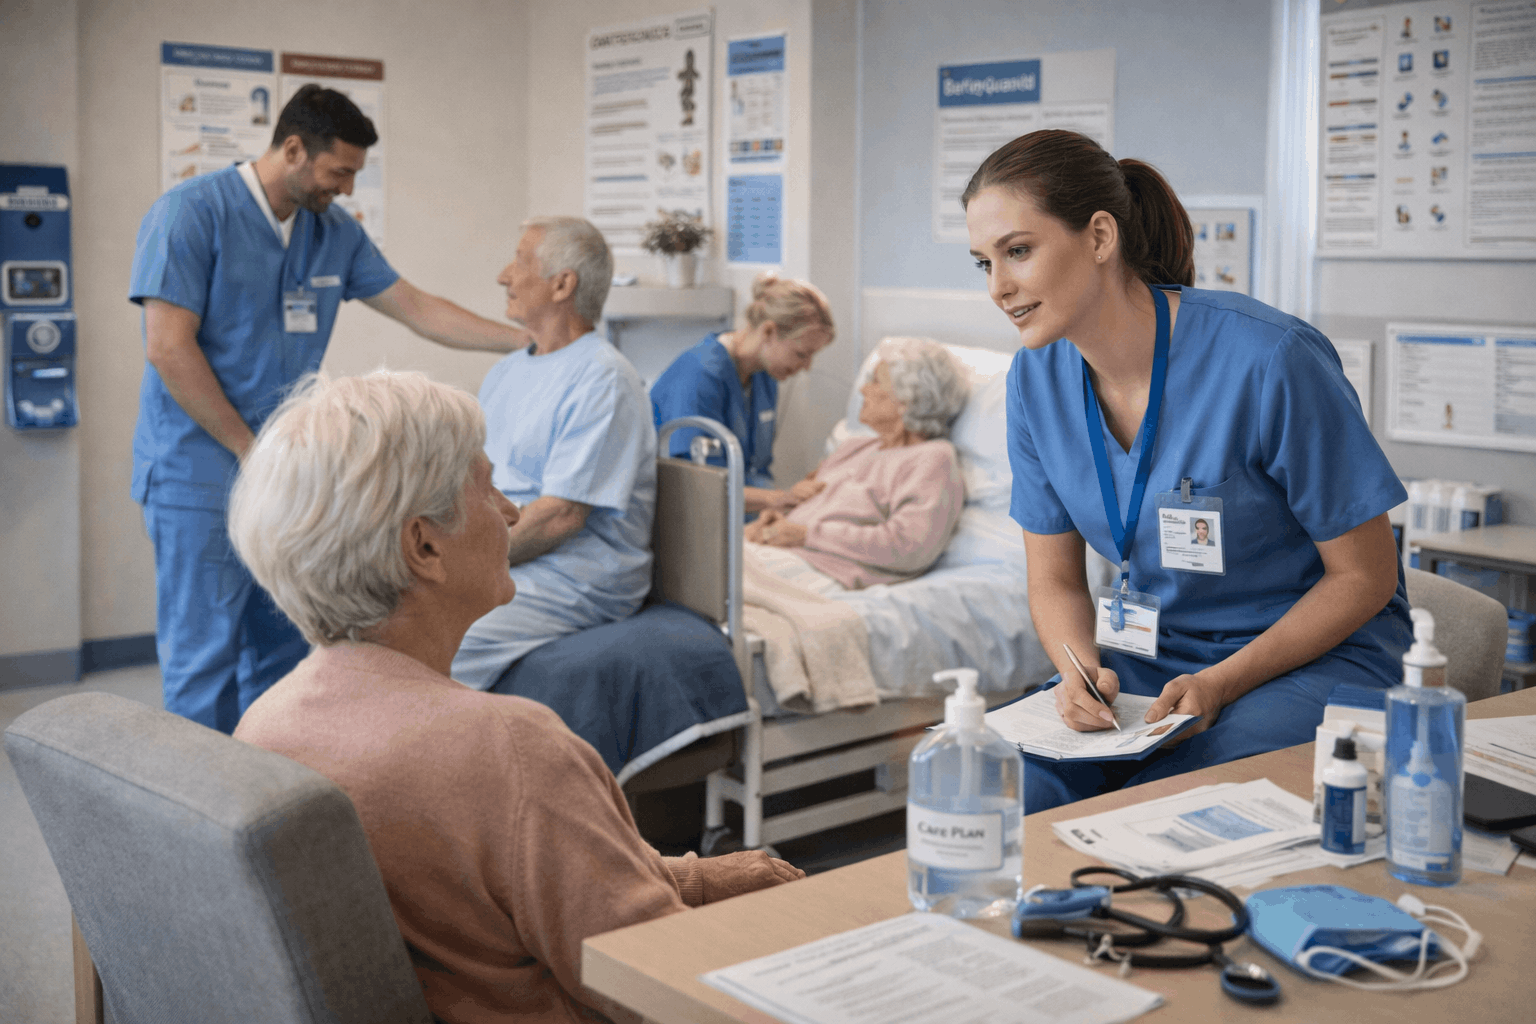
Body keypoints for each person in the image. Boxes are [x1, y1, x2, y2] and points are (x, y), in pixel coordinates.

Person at [228, 370, 802, 1024]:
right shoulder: (511, 750)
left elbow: (552, 882)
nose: (508, 511)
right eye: (488, 487)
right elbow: (659, 985)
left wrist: (709, 878)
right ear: (424, 545)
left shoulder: (265, 725)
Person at [964, 129, 1412, 812]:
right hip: (1157, 654)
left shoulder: (1270, 361)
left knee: (1157, 805)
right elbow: (1054, 581)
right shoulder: (1036, 379)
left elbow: (1366, 575)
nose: (999, 287)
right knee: (991, 783)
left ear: (1100, 236)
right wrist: (1080, 671)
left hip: (1316, 658)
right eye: (982, 263)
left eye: (1018, 251)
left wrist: (1224, 683)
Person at [129, 84, 527, 734]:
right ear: (293, 149)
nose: (345, 189)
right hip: (195, 472)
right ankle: (196, 822)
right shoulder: (190, 214)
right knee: (204, 658)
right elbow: (168, 349)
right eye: (339, 171)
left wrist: (526, 339)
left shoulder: (333, 234)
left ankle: (275, 803)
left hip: (286, 475)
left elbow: (417, 308)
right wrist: (247, 449)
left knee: (287, 650)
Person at [451, 217, 656, 691]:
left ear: (563, 284)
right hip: (510, 551)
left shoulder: (604, 378)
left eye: (521, 261)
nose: (504, 275)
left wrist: (464, 564)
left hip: (577, 572)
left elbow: (561, 517)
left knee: (439, 637)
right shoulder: (505, 373)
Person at [746, 337, 968, 590]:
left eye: (875, 381)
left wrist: (806, 534)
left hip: (825, 569)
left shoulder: (932, 459)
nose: (863, 390)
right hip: (783, 554)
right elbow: (810, 506)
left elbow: (907, 546)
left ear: (907, 401)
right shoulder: (855, 447)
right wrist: (771, 521)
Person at [650, 273, 835, 514]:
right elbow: (697, 487)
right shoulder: (698, 377)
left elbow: (755, 471)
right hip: (685, 522)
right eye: (801, 354)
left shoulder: (765, 376)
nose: (807, 366)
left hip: (737, 517)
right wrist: (779, 499)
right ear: (768, 331)